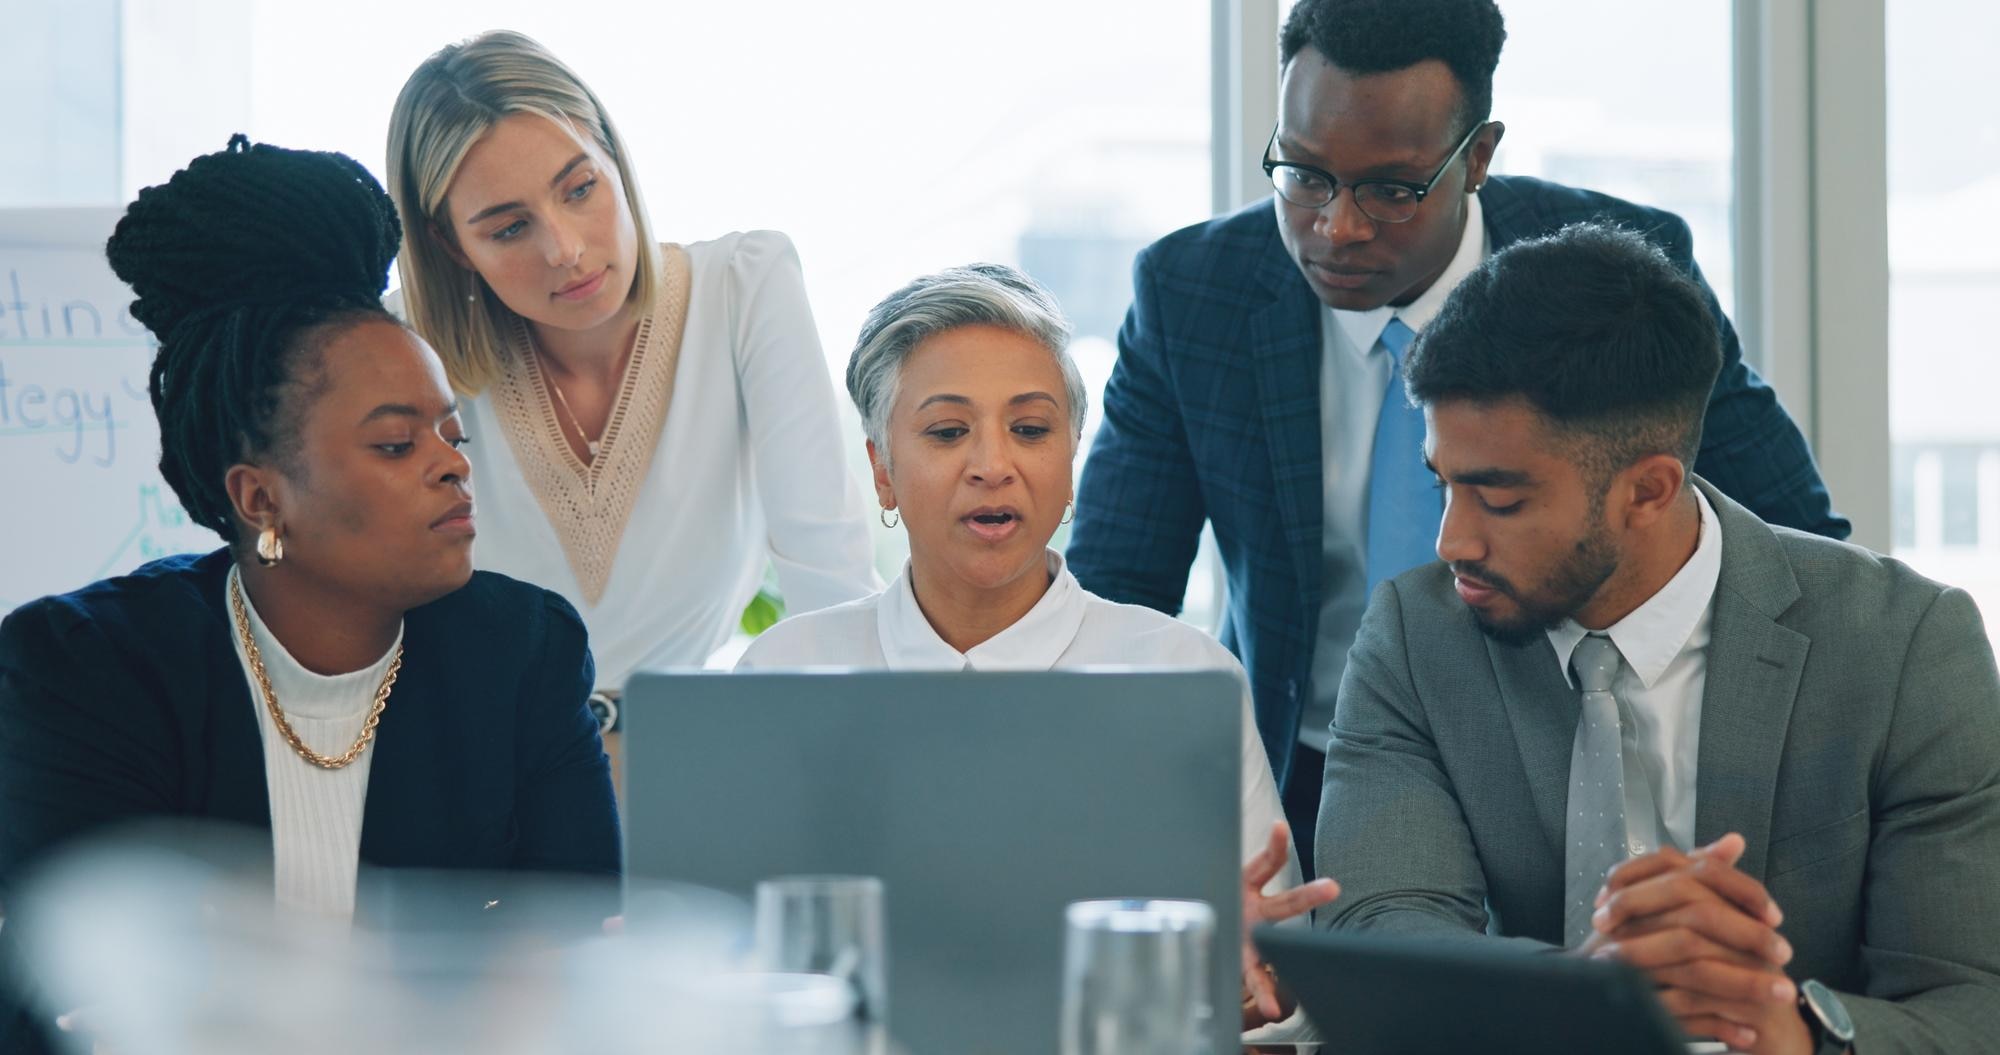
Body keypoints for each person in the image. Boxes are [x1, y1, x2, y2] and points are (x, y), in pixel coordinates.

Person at [1065, 0, 1849, 872]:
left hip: (1578, 768)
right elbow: (1116, 605)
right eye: (1305, 174)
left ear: (1477, 156)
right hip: (1305, 782)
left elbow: (1797, 556)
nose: (1337, 226)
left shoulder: (1616, 276)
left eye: (1391, 189)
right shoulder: (1193, 294)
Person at [1316, 222, 2000, 1053]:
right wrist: (1581, 990)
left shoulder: (1906, 646)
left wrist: (1794, 1031)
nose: (1451, 541)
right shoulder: (1416, 638)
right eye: (1443, 483)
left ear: (1648, 489)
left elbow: (1972, 1000)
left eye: (1499, 499)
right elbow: (1381, 921)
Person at [0, 139, 621, 1053]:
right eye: (395, 444)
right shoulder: (84, 668)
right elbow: (76, 987)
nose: (453, 464)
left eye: (449, 431)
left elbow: (577, 956)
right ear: (260, 497)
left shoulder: (523, 653)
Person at [736, 265, 1338, 1036]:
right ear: (882, 471)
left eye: (1030, 428)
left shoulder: (1180, 677)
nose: (994, 464)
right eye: (949, 431)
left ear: (1071, 461)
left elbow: (1270, 1013)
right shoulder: (783, 676)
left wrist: (1250, 983)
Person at [386, 31, 878, 695]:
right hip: (480, 771)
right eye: (508, 229)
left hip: (679, 765)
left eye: (580, 188)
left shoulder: (743, 289)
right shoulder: (405, 349)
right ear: (450, 246)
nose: (563, 248)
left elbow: (832, 586)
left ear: (614, 156)